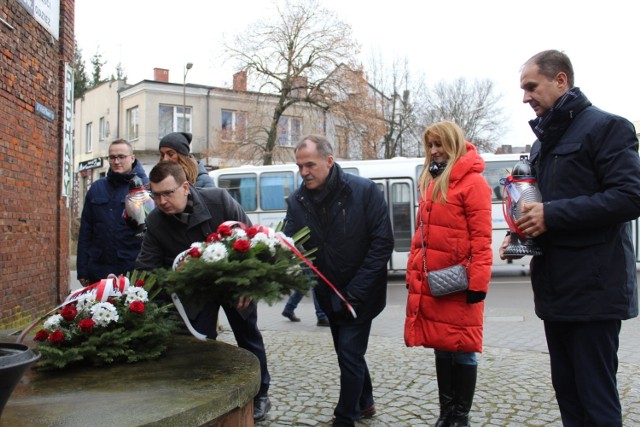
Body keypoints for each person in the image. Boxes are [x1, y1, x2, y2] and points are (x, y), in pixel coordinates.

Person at [499, 49, 640, 426]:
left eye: (531, 87)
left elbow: (630, 196)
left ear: (561, 80)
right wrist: (521, 236)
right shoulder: (543, 142)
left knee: (596, 398)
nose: (524, 97)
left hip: (594, 292)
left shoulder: (608, 127)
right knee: (569, 395)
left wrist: (552, 215)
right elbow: (544, 208)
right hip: (555, 290)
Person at [134, 161, 272, 421]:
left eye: (167, 193)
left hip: (233, 283)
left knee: (248, 336)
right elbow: (147, 267)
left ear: (185, 187)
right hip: (194, 292)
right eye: (156, 195)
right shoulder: (155, 221)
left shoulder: (219, 200)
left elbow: (253, 239)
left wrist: (247, 285)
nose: (162, 201)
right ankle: (208, 394)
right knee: (202, 343)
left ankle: (261, 394)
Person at [283, 134, 394, 427]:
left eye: (310, 164)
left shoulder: (364, 191)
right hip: (328, 295)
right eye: (299, 166)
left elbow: (382, 244)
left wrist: (355, 291)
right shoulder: (297, 201)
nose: (304, 172)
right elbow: (286, 242)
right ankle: (366, 401)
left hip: (362, 293)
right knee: (348, 353)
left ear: (329, 162)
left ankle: (345, 417)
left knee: (348, 352)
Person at [405, 121, 492, 427]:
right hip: (436, 284)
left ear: (453, 143)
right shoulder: (430, 181)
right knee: (442, 348)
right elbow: (422, 238)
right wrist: (412, 273)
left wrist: (478, 283)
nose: (434, 151)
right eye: (430, 145)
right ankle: (446, 414)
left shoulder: (474, 184)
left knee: (464, 350)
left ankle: (461, 416)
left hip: (461, 283)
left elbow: (482, 240)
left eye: (439, 144)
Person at [77, 139, 148, 285]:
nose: (116, 161)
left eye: (121, 157)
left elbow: (149, 234)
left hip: (130, 269)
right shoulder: (96, 188)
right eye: (112, 157)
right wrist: (82, 269)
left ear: (132, 158)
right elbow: (86, 231)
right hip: (98, 268)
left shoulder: (142, 189)